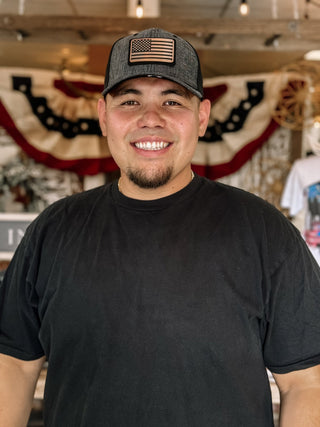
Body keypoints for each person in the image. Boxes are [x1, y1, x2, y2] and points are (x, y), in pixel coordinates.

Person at [0, 28, 320, 427]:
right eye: (130, 100)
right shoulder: (52, 231)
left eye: (172, 100)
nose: (150, 119)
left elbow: (306, 382)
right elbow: (13, 363)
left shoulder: (266, 234)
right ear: (103, 116)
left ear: (202, 117)